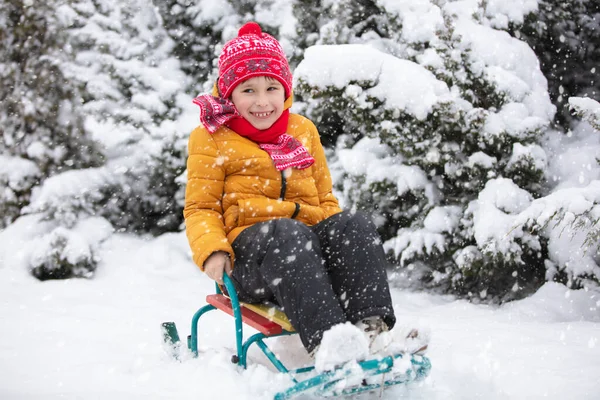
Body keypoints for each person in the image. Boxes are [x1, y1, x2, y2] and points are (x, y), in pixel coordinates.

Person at [184, 22, 426, 368]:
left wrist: (338, 243)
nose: (263, 101)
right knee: (286, 233)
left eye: (272, 87)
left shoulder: (302, 130)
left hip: (303, 256)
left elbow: (324, 200)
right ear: (228, 94)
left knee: (352, 223)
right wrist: (211, 251)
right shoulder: (211, 137)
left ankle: (371, 330)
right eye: (248, 90)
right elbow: (200, 207)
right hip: (250, 262)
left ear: (286, 90)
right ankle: (330, 343)